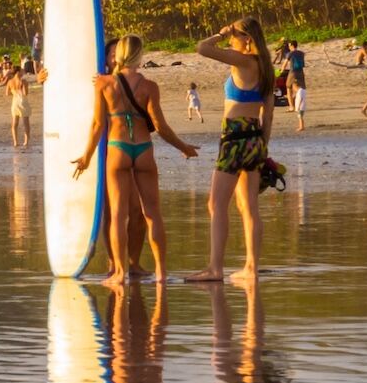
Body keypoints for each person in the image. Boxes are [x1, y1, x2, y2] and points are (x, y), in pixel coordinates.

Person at [75, 35, 199, 287]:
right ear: (139, 55)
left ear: (118, 54)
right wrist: (183, 147)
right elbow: (161, 127)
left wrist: (86, 157)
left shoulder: (104, 84)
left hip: (118, 148)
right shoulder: (150, 87)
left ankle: (119, 274)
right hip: (143, 149)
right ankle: (161, 273)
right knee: (153, 213)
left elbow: (98, 124)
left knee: (119, 215)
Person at [187, 19, 274, 284]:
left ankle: (215, 269)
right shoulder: (266, 66)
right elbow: (267, 116)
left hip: (235, 136)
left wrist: (218, 33)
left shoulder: (243, 60)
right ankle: (251, 267)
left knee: (216, 204)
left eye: (233, 32)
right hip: (255, 138)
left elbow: (202, 48)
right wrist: (262, 151)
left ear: (247, 37)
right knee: (248, 207)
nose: (229, 36)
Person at [5, 68, 31, 148]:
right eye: (22, 71)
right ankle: (26, 142)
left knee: (14, 124)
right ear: (18, 72)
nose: (23, 72)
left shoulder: (10, 81)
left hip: (15, 102)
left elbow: (7, 93)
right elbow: (25, 93)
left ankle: (15, 142)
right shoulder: (24, 81)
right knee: (26, 123)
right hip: (23, 102)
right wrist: (23, 85)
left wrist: (14, 92)